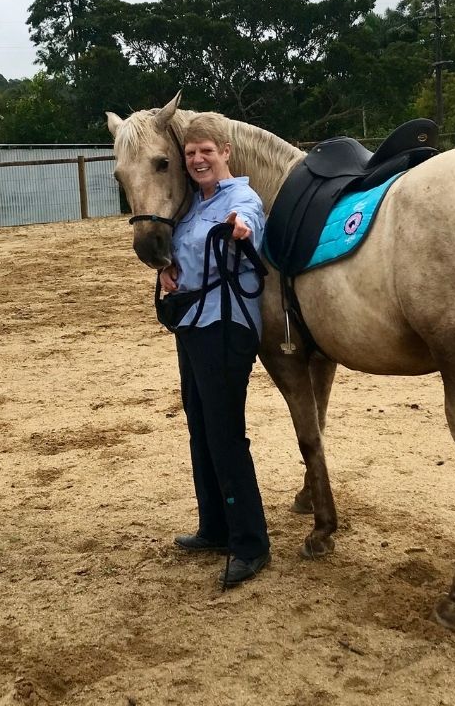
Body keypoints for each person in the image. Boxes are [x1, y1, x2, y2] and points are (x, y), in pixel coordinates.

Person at [159, 113, 270, 587]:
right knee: (201, 428)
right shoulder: (190, 207)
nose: (199, 159)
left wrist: (240, 228)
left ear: (226, 151)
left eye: (207, 150)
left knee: (225, 434)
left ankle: (251, 544)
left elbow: (247, 219)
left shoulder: (240, 199)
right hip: (193, 324)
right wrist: (168, 271)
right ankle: (215, 527)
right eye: (190, 153)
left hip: (226, 326)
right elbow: (185, 255)